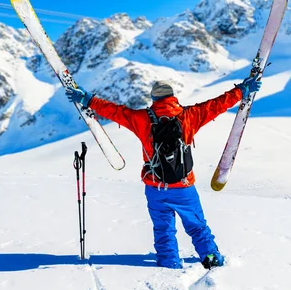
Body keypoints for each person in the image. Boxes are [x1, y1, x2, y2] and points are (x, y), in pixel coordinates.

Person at [65, 77, 261, 270]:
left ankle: (169, 262)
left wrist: (88, 99)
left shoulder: (141, 119)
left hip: (155, 187)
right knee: (197, 225)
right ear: (173, 97)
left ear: (154, 99)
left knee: (163, 229)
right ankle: (210, 257)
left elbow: (115, 111)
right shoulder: (190, 115)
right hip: (184, 188)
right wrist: (242, 90)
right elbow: (216, 104)